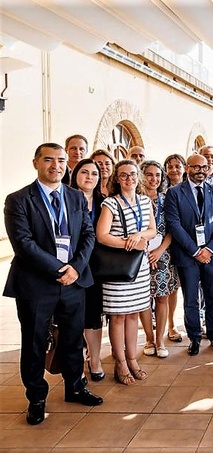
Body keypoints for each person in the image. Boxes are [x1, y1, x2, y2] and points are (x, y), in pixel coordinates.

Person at [5, 143, 103, 425]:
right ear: (36, 162)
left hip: (73, 282)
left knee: (73, 339)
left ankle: (75, 387)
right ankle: (36, 398)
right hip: (36, 284)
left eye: (61, 160)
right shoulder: (18, 199)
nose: (56, 165)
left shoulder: (75, 197)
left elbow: (87, 234)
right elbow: (23, 243)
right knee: (35, 343)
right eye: (49, 160)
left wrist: (76, 268)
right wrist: (59, 269)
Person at [96, 159, 157, 384]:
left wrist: (139, 236)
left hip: (138, 267)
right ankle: (120, 362)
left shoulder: (144, 201)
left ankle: (132, 358)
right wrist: (127, 242)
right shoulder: (111, 204)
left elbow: (152, 229)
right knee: (118, 317)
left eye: (132, 174)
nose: (129, 179)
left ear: (138, 177)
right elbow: (101, 235)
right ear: (116, 179)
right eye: (123, 175)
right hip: (118, 268)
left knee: (133, 314)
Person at [165, 154, 213, 355]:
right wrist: (195, 250)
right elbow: (174, 225)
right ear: (187, 168)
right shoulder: (174, 193)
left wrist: (209, 249)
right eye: (196, 167)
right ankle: (194, 338)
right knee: (191, 299)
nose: (201, 170)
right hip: (187, 255)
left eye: (205, 166)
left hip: (211, 254)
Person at [69, 159, 106, 381]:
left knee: (93, 315)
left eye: (94, 173)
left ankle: (95, 359)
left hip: (96, 268)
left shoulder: (105, 202)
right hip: (70, 265)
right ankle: (74, 363)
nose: (89, 177)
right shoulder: (64, 199)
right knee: (72, 317)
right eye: (84, 172)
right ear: (75, 175)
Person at [139, 160, 178, 359]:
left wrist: (160, 251)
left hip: (163, 255)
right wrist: (146, 251)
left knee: (162, 297)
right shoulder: (135, 199)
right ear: (142, 176)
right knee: (143, 299)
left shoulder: (167, 199)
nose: (153, 179)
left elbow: (173, 229)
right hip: (139, 255)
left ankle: (160, 339)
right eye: (149, 174)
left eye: (157, 175)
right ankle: (148, 338)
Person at [163, 153, 186, 343]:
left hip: (182, 244)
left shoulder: (188, 190)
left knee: (173, 288)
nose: (174, 170)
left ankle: (172, 324)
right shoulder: (160, 191)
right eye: (170, 166)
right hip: (161, 245)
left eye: (177, 166)